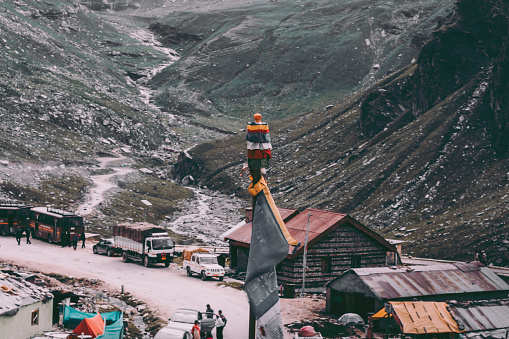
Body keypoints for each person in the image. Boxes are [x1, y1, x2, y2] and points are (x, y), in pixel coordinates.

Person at [242, 113, 272, 185]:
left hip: (254, 146)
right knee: (262, 161)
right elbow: (267, 136)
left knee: (255, 161)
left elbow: (249, 135)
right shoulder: (265, 125)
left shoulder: (251, 125)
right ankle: (262, 178)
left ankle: (259, 179)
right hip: (263, 146)